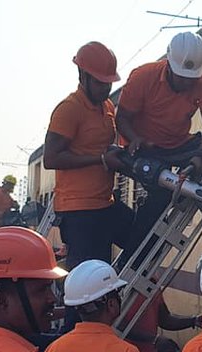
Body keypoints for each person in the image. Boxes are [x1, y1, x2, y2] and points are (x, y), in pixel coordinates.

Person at [116, 32, 202, 254]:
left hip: (179, 145)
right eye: (181, 76)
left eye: (191, 78)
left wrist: (201, 157)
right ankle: (135, 255)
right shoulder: (143, 77)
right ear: (169, 65)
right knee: (160, 197)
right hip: (145, 148)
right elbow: (122, 118)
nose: (186, 82)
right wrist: (135, 139)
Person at [44, 42, 134, 268]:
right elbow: (51, 158)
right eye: (99, 82)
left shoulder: (107, 107)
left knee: (146, 239)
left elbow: (102, 147)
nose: (105, 88)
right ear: (83, 76)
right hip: (78, 212)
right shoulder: (68, 109)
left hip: (105, 204)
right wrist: (101, 160)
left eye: (108, 83)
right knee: (88, 282)